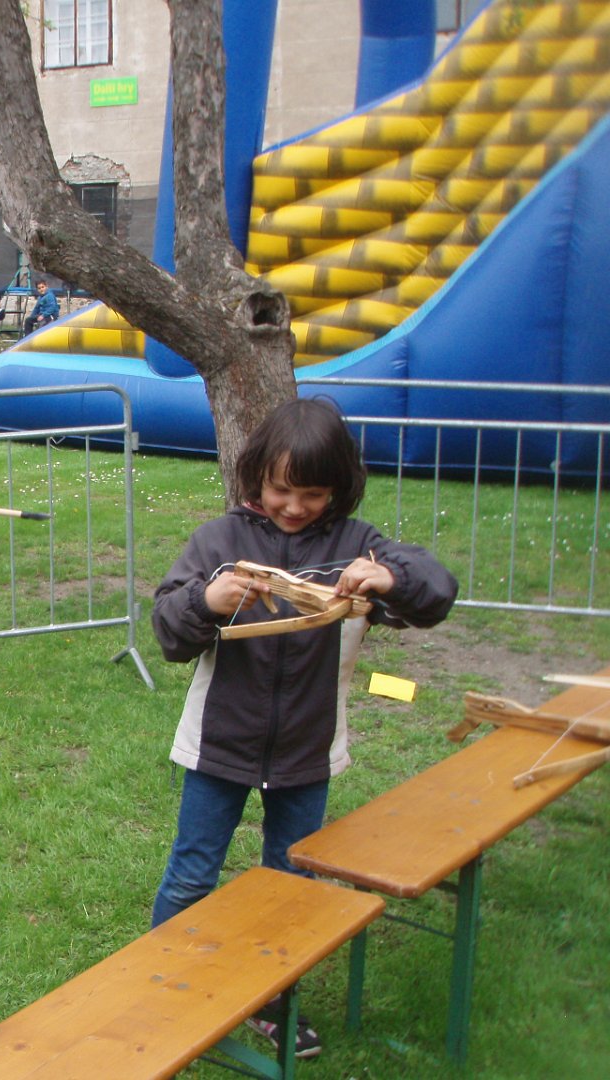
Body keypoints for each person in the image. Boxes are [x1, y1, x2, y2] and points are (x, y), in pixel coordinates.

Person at [150, 397, 458, 1059]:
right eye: (282, 491)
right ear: (256, 478)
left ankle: (273, 1001)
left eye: (313, 494)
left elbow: (437, 591)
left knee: (290, 888)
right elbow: (169, 631)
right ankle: (162, 988)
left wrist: (390, 575)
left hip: (306, 754)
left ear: (339, 488)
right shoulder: (219, 543)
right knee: (191, 875)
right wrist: (208, 600)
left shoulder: (357, 543)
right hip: (218, 747)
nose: (294, 507)